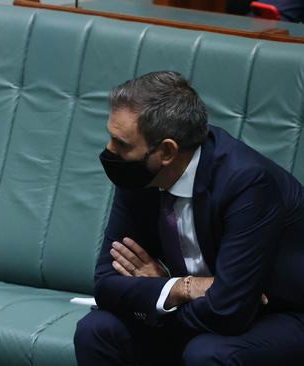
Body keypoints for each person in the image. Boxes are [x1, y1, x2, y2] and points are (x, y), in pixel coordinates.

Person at [73, 71, 304, 365]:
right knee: (96, 330)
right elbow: (106, 283)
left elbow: (229, 312)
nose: (109, 150)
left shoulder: (247, 182)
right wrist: (182, 287)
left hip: (283, 314)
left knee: (206, 354)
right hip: (210, 313)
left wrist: (160, 297)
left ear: (167, 151)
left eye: (122, 144)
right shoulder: (139, 176)